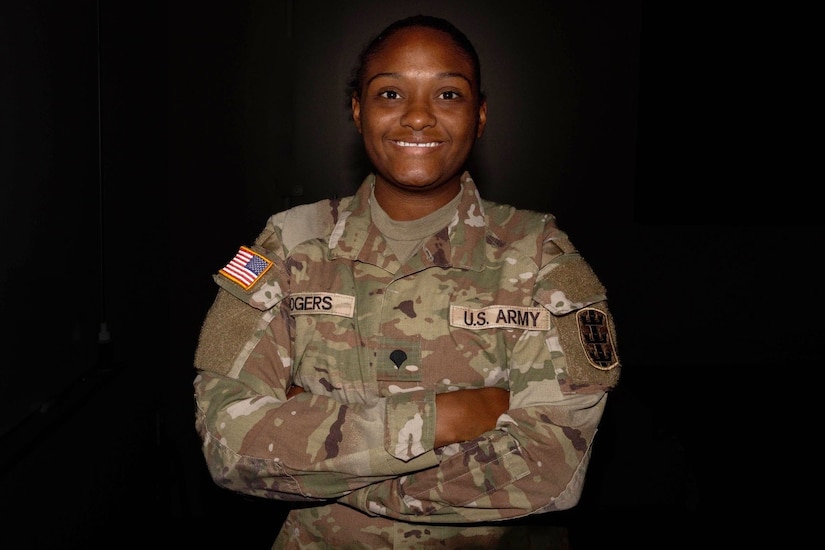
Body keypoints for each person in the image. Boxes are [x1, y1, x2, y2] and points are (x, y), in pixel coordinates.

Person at [192, 14, 621, 549]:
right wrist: (448, 417)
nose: (417, 118)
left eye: (448, 94)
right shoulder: (284, 244)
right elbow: (229, 445)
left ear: (480, 115)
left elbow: (551, 471)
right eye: (390, 93)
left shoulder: (543, 257)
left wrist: (324, 464)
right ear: (357, 110)